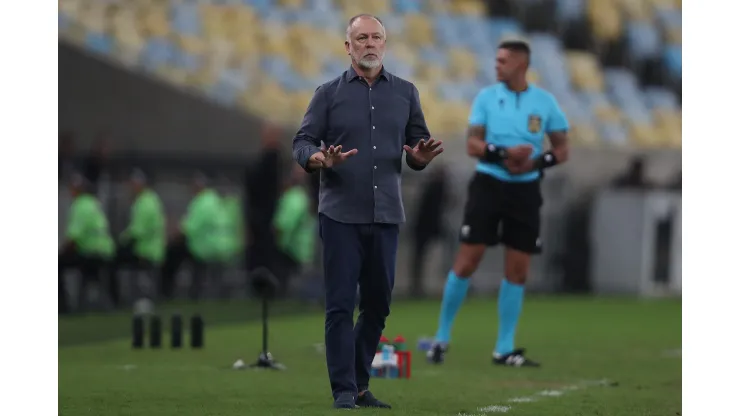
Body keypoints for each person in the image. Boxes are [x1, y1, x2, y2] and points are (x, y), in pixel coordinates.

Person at [292, 14, 443, 409]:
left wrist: (422, 158)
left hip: (387, 214)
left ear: (385, 44)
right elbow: (302, 141)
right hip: (340, 214)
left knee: (378, 305)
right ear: (348, 47)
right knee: (340, 304)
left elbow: (416, 149)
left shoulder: (407, 93)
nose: (369, 43)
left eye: (376, 37)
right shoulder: (327, 94)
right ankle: (344, 390)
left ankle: (359, 384)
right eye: (361, 38)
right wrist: (319, 158)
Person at [427, 40, 570, 367]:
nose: (497, 65)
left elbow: (563, 149)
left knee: (518, 269)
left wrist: (536, 162)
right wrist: (503, 154)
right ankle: (441, 337)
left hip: (526, 190)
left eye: (503, 61)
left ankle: (503, 348)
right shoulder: (486, 98)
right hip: (489, 185)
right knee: (466, 261)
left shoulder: (544, 102)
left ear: (521, 64)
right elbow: (472, 144)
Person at [160, 173, 226, 300]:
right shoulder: (214, 200)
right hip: (218, 245)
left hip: (203, 246)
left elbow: (191, 227)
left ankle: (168, 293)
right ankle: (193, 293)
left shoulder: (202, 203)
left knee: (172, 254)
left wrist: (176, 231)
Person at [59, 174, 117, 313]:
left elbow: (73, 236)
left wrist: (62, 250)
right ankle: (110, 303)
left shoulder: (79, 206)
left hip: (91, 253)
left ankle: (63, 307)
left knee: (58, 265)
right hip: (106, 251)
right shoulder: (94, 203)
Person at [114, 169, 166, 294]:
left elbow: (137, 231)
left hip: (145, 249)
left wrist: (121, 240)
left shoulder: (144, 203)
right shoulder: (152, 199)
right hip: (155, 249)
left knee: (114, 259)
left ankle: (122, 298)